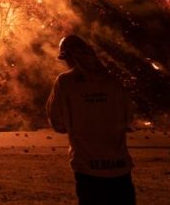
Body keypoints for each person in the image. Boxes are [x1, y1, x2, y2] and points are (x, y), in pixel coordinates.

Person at [46, 34, 136, 205]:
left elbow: (57, 122)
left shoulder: (65, 82)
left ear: (69, 57)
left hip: (87, 168)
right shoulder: (113, 80)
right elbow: (129, 121)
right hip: (120, 169)